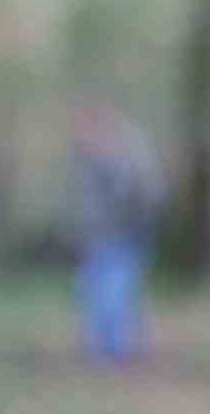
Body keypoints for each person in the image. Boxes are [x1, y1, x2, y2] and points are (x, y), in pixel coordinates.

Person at [69, 103, 166, 364]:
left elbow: (136, 199)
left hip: (123, 236)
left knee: (114, 290)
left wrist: (112, 230)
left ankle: (115, 352)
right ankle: (107, 350)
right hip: (106, 238)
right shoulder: (94, 160)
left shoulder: (123, 157)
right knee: (101, 290)